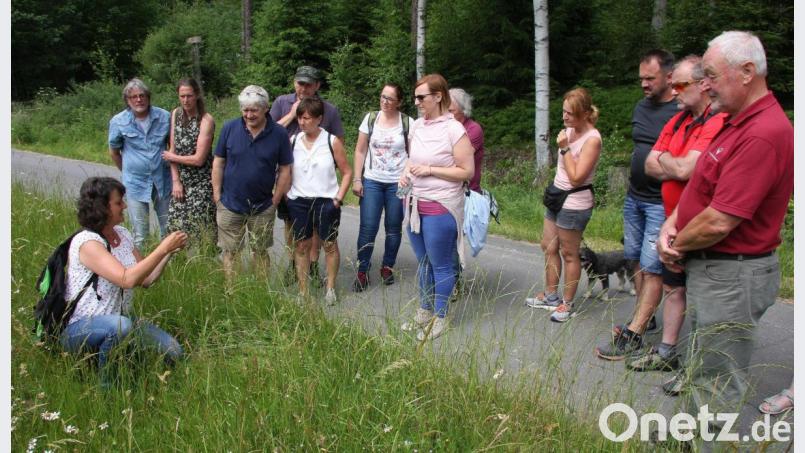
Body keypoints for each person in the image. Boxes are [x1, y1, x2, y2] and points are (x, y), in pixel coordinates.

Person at [657, 31, 793, 443]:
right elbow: (703, 183)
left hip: (732, 275)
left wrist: (676, 245)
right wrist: (672, 223)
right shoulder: (734, 122)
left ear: (747, 72)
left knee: (715, 387)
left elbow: (720, 219)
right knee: (703, 368)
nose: (705, 85)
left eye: (711, 75)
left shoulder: (764, 132)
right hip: (715, 271)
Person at [626, 56, 727, 373]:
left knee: (702, 293)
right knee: (673, 287)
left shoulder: (716, 120)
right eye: (672, 85)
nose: (675, 91)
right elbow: (651, 162)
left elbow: (686, 167)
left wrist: (672, 164)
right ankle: (668, 350)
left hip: (701, 223)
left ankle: (701, 366)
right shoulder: (680, 120)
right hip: (673, 219)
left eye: (680, 85)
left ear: (703, 85)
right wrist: (677, 165)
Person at [61, 177, 188, 388]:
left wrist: (169, 253)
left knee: (174, 351)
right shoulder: (87, 243)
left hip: (121, 322)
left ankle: (121, 363)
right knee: (120, 326)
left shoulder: (123, 234)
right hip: (80, 328)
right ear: (102, 207)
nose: (125, 206)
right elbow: (126, 279)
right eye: (119, 202)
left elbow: (145, 279)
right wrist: (162, 248)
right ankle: (108, 390)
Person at [595, 50, 679, 360]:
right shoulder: (641, 107)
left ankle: (635, 333)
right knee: (635, 260)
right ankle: (647, 314)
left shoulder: (680, 111)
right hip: (635, 197)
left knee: (653, 265)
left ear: (669, 77)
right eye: (640, 78)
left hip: (661, 202)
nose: (643, 83)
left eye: (650, 78)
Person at [400, 74, 474, 341]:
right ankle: (424, 311)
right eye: (415, 97)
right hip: (415, 203)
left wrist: (430, 169)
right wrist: (405, 173)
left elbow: (467, 171)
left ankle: (440, 318)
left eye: (421, 97)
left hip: (441, 206)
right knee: (423, 263)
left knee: (441, 265)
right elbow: (411, 160)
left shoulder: (454, 130)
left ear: (438, 96)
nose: (417, 102)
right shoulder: (418, 126)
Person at [525, 88, 602, 322]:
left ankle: (567, 304)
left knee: (569, 253)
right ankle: (550, 296)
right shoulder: (569, 131)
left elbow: (577, 176)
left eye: (571, 114)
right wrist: (565, 143)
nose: (565, 118)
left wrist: (565, 147)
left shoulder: (593, 139)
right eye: (564, 112)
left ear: (586, 114)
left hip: (576, 201)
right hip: (557, 196)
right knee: (548, 246)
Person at [270, 66, 345, 284]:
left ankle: (311, 264)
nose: (303, 88)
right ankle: (294, 263)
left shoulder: (328, 110)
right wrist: (291, 114)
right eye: (300, 83)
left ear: (317, 86)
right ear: (294, 83)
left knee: (315, 227)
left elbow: (339, 140)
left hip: (316, 178)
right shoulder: (281, 103)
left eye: (308, 84)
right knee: (290, 223)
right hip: (286, 176)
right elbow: (268, 133)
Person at [212, 85, 292, 281]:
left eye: (254, 110)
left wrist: (275, 199)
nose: (249, 115)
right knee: (231, 252)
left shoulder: (279, 133)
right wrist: (217, 195)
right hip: (229, 204)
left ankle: (259, 291)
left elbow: (285, 169)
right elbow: (218, 162)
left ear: (266, 109)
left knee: (260, 251)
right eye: (245, 110)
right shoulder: (229, 127)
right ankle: (232, 292)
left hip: (263, 206)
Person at [286, 97, 353, 304]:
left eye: (306, 118)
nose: (302, 122)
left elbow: (347, 172)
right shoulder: (293, 141)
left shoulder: (331, 141)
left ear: (319, 119)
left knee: (329, 244)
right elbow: (284, 170)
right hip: (299, 200)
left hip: (326, 200)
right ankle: (303, 291)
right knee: (301, 246)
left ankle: (330, 288)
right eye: (299, 117)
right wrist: (287, 195)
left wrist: (338, 199)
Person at [351, 84, 412, 291]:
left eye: (390, 98)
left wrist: (407, 183)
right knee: (368, 228)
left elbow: (413, 156)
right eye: (382, 97)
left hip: (398, 183)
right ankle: (362, 271)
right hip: (372, 181)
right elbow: (360, 151)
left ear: (399, 102)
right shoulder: (370, 119)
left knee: (394, 228)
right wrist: (357, 179)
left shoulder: (408, 123)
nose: (385, 101)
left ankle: (387, 267)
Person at [108, 78, 172, 249]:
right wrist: (127, 171)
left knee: (168, 227)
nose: (138, 100)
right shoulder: (118, 121)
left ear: (148, 97)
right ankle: (140, 270)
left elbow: (172, 147)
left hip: (162, 181)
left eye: (142, 95)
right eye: (133, 97)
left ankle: (168, 264)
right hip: (135, 183)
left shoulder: (164, 116)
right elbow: (114, 151)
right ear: (127, 101)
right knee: (140, 232)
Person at [162, 78, 216, 242]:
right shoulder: (176, 114)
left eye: (189, 96)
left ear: (197, 95)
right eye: (182, 96)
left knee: (202, 231)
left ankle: (204, 264)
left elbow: (199, 159)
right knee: (175, 230)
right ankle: (178, 264)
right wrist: (176, 181)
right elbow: (172, 147)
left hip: (201, 183)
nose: (186, 100)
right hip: (181, 182)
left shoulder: (206, 120)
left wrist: (173, 157)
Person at [448, 88, 484, 193]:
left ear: (463, 110)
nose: (447, 114)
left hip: (468, 190)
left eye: (451, 111)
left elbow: (457, 160)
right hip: (447, 189)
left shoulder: (474, 129)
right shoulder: (444, 127)